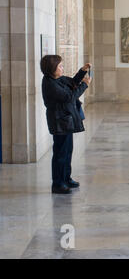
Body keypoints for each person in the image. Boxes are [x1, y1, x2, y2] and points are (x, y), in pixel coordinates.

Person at [41, 55, 92, 194]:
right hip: (59, 122)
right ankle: (58, 184)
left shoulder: (58, 78)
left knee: (67, 151)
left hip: (65, 120)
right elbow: (70, 97)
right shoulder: (50, 84)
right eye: (60, 66)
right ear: (52, 69)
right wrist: (85, 85)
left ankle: (66, 178)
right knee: (60, 154)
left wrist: (82, 71)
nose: (62, 68)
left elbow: (73, 82)